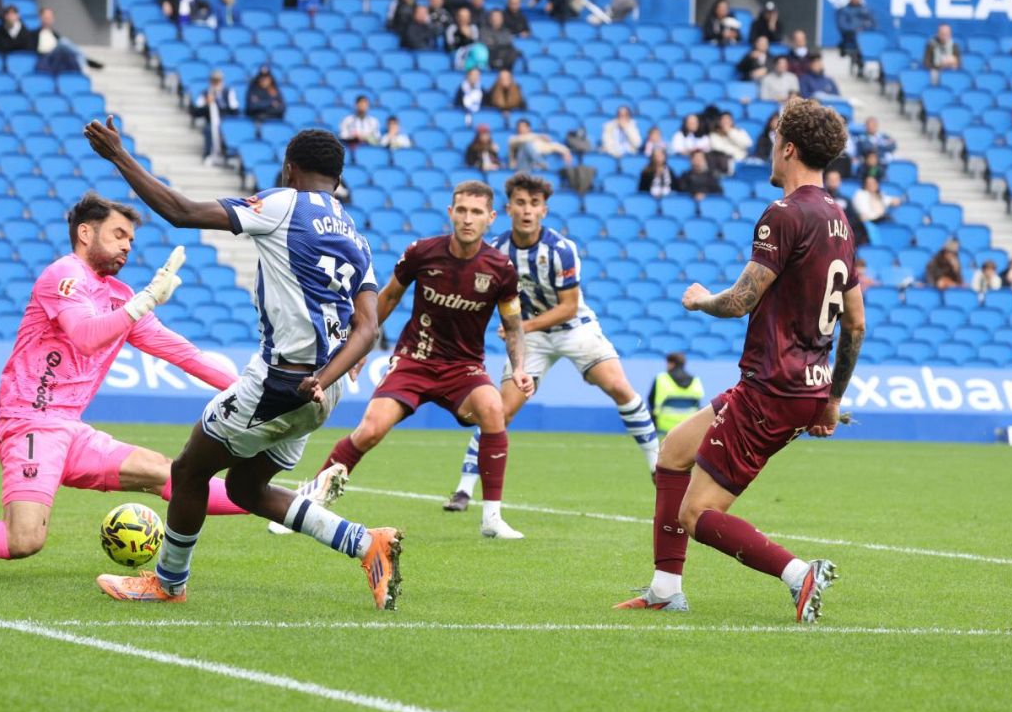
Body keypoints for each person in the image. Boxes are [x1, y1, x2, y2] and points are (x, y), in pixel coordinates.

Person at [0, 193, 248, 581]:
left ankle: (275, 496)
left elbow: (184, 354)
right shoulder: (64, 275)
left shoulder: (118, 296)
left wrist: (258, 392)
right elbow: (86, 335)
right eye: (118, 235)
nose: (128, 247)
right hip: (29, 423)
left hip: (69, 429)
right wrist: (141, 303)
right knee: (24, 539)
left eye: (131, 240)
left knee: (167, 473)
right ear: (86, 233)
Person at [79, 121, 402, 609]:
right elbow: (368, 328)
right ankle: (364, 543)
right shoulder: (357, 239)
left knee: (188, 471)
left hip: (283, 381)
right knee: (247, 487)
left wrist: (119, 157)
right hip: (324, 390)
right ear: (337, 180)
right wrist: (327, 379)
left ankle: (166, 585)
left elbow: (181, 212)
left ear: (290, 168)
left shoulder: (282, 204)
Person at [615, 97, 862, 622]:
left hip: (771, 388)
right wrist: (831, 398)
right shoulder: (841, 221)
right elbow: (855, 323)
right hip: (801, 387)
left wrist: (700, 297)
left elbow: (740, 301)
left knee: (697, 511)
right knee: (673, 453)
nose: (770, 152)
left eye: (774, 142)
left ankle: (799, 573)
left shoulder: (784, 214)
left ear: (788, 148)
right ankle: (664, 588)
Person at [315, 180, 530, 539]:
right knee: (370, 430)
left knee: (494, 409)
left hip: (464, 368)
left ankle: (491, 518)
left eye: (476, 212)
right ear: (450, 212)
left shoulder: (501, 268)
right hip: (414, 359)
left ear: (491, 218)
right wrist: (360, 346)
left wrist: (520, 367)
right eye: (461, 210)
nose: (467, 218)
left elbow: (513, 325)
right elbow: (386, 299)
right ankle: (312, 504)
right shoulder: (421, 252)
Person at [443, 173, 660, 513]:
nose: (527, 210)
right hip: (530, 337)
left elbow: (568, 307)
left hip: (574, 327)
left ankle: (655, 464)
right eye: (520, 203)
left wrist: (519, 326)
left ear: (544, 210)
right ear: (509, 208)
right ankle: (464, 489)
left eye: (534, 204)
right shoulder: (497, 250)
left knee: (618, 386)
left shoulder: (561, 249)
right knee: (499, 410)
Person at [648, 352, 705, 437]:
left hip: (664, 425)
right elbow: (698, 405)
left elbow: (651, 401)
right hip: (688, 425)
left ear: (671, 364)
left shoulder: (661, 378)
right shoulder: (696, 381)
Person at [193, 70, 239, 165]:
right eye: (214, 80)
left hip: (226, 121)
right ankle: (208, 154)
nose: (216, 83)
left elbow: (234, 110)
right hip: (210, 121)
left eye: (218, 80)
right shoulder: (205, 93)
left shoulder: (228, 91)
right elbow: (196, 111)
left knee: (228, 130)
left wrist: (219, 106)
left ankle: (227, 155)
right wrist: (207, 103)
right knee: (209, 130)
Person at [823, 170, 868, 245]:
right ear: (825, 181)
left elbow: (854, 219)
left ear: (840, 181)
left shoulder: (846, 200)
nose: (833, 182)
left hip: (843, 234)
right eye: (830, 179)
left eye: (835, 179)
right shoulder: (820, 200)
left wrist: (841, 225)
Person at [837, 0, 875, 73]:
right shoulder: (844, 10)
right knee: (858, 39)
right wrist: (856, 29)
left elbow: (873, 25)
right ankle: (860, 67)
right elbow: (843, 26)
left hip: (866, 38)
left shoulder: (867, 10)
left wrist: (864, 28)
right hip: (850, 39)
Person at [508, 118, 574, 168]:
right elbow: (520, 140)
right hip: (520, 165)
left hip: (533, 165)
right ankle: (542, 163)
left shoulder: (537, 141)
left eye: (523, 127)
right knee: (526, 145)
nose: (521, 129)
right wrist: (539, 136)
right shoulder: (513, 138)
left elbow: (552, 146)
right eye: (519, 127)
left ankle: (539, 164)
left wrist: (565, 151)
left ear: (528, 128)